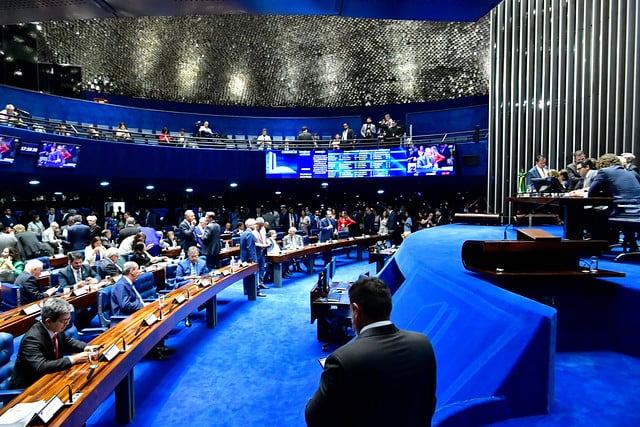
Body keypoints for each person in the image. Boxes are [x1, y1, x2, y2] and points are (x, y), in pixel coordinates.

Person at [305, 276, 436, 427]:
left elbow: (315, 418)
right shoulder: (422, 344)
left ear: (355, 311)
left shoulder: (343, 359)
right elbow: (428, 404)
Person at [9, 298, 99, 389]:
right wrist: (73, 359)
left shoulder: (54, 328)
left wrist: (86, 347)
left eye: (68, 319)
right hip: (30, 387)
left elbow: (67, 342)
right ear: (48, 321)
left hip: (50, 377)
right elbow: (41, 366)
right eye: (63, 321)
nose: (67, 324)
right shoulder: (31, 339)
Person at [239, 218, 265, 297]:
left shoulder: (244, 233)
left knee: (246, 275)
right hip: (249, 258)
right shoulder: (250, 234)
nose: (255, 225)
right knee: (254, 274)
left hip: (244, 257)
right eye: (254, 224)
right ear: (250, 225)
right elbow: (250, 248)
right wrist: (253, 260)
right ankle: (256, 291)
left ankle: (246, 290)